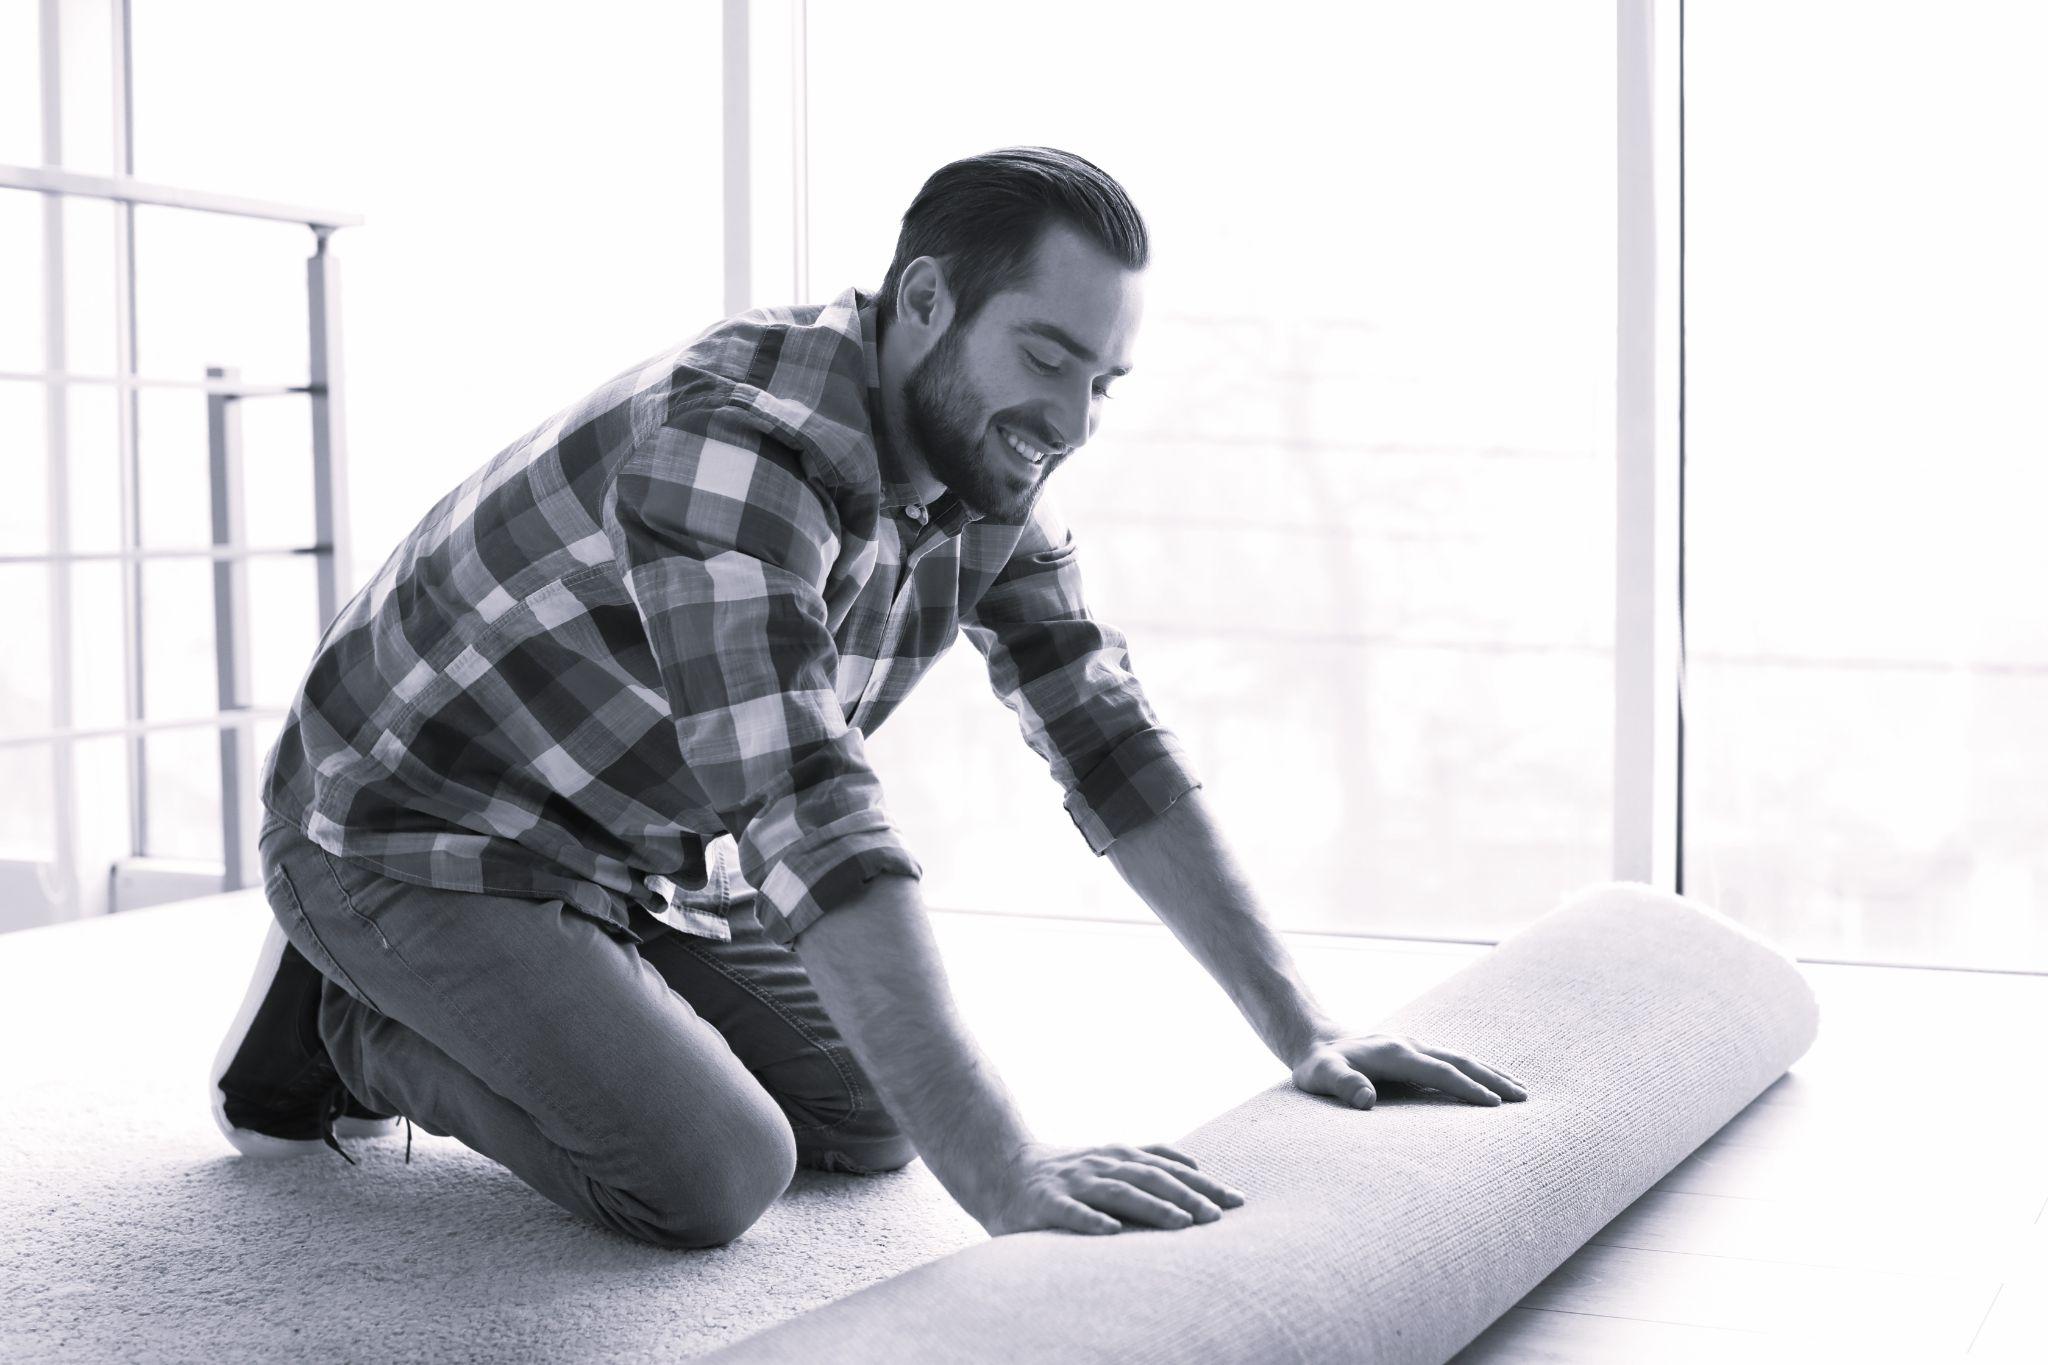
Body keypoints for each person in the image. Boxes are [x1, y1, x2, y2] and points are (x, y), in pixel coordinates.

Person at [210, 145, 1528, 1251]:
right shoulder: (734, 447)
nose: (1071, 419)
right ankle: (354, 1024)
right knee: (717, 1171)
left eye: (1101, 381)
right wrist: (1006, 1171)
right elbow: (806, 809)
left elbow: (1108, 739)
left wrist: (1309, 1031)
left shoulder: (984, 474)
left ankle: (535, 975)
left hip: (614, 849)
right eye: (1048, 357)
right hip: (400, 829)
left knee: (876, 1120)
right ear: (926, 299)